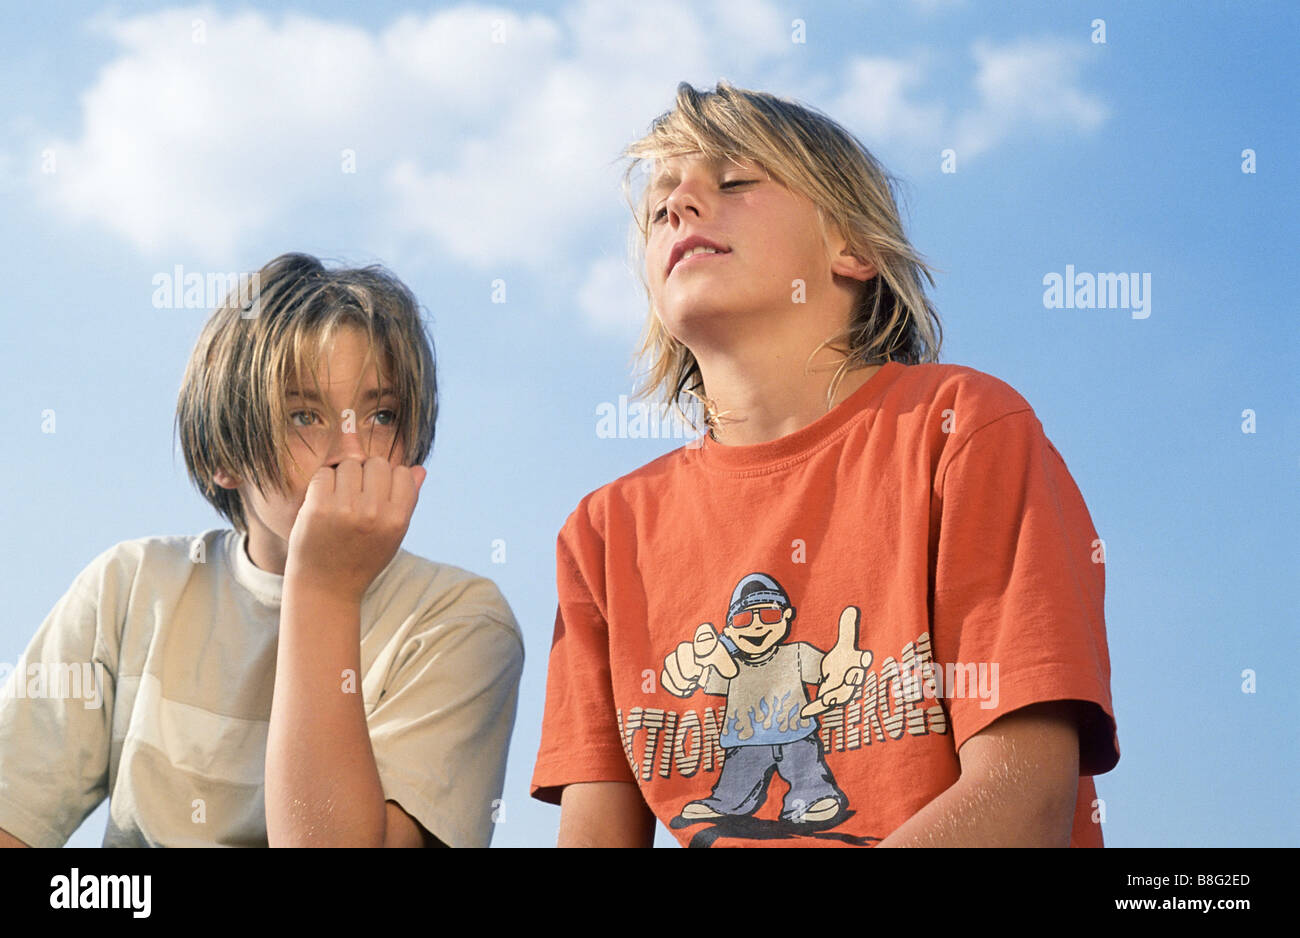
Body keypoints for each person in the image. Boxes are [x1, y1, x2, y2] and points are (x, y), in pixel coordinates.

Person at [530, 82, 1120, 848]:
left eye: (735, 180)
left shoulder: (964, 432)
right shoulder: (604, 535)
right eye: (659, 203)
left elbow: (1021, 804)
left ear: (855, 247)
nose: (679, 205)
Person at [0, 253, 523, 847]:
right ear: (223, 455)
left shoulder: (461, 621)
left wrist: (324, 587)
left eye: (381, 414)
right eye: (305, 415)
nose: (350, 452)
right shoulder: (129, 587)